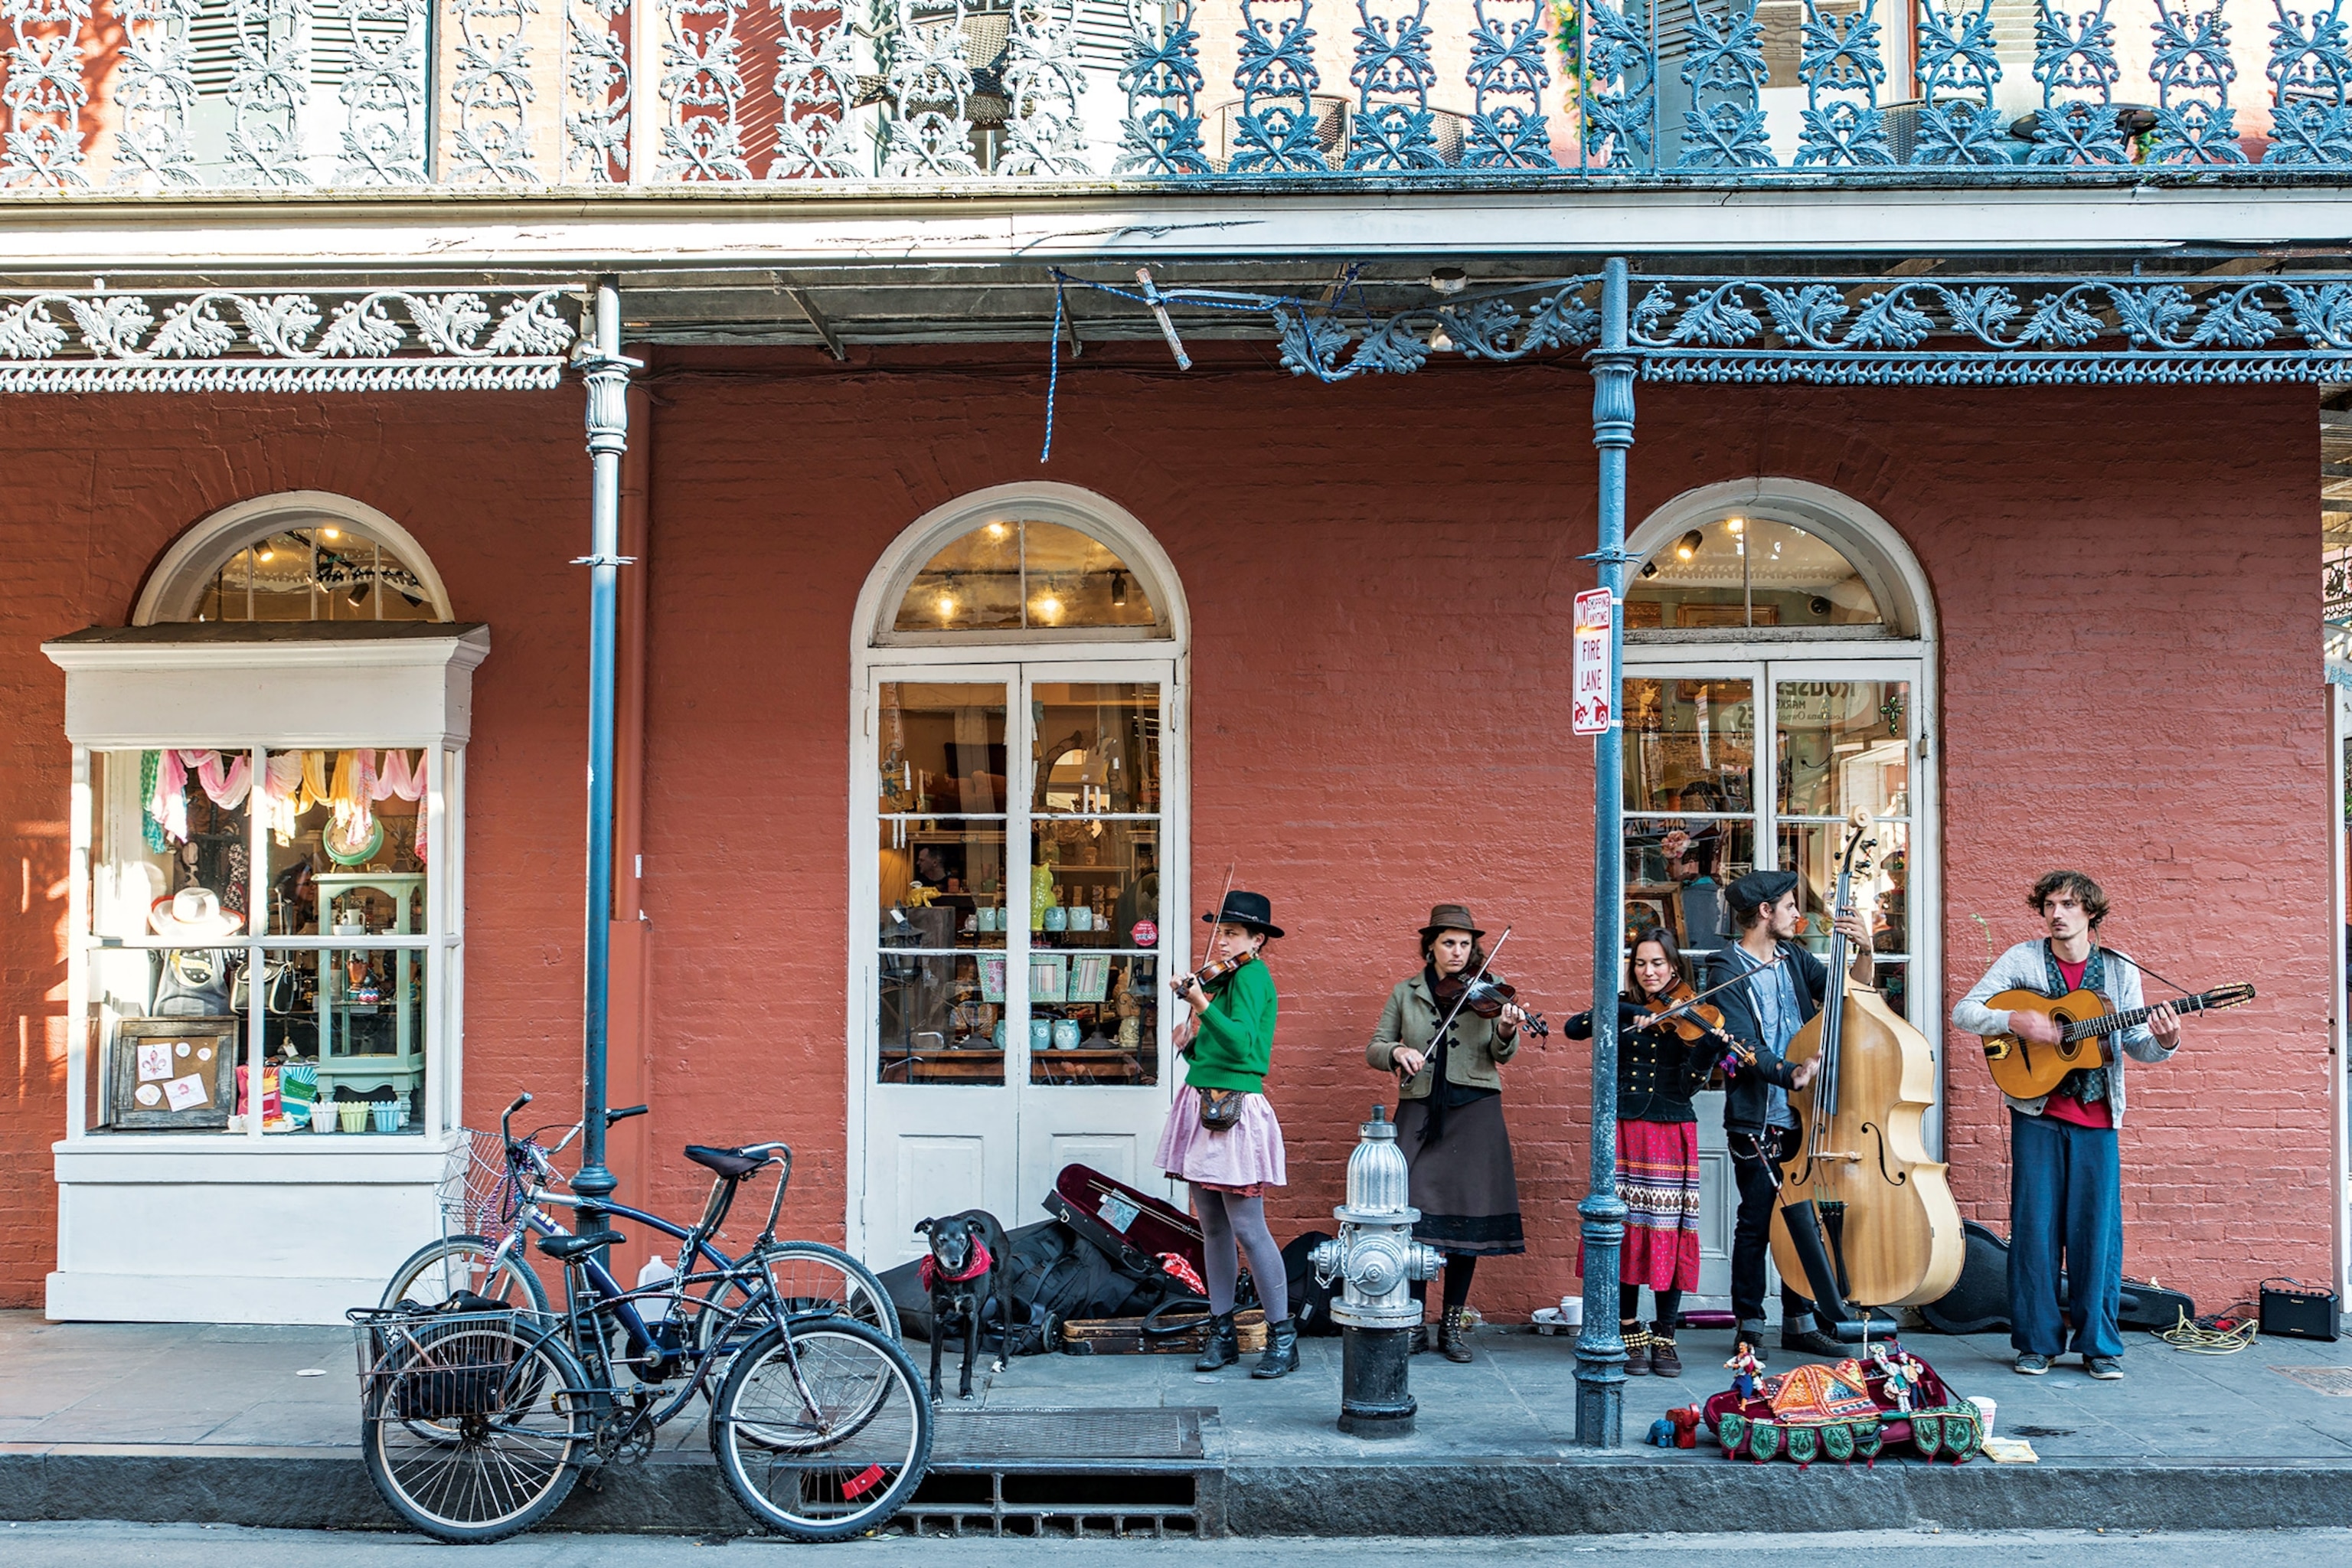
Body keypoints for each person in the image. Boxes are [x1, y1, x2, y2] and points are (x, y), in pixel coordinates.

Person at [1953, 871, 2182, 1381]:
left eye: (2069, 905)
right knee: (2034, 1231)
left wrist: (2166, 1041)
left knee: (2097, 1235)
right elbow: (1964, 1012)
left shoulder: (2119, 969)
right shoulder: (2022, 960)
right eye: (2050, 905)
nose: (2057, 914)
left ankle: (2099, 1345)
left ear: (2091, 913)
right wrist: (2015, 1021)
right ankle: (2036, 1343)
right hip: (2038, 1114)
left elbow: (2137, 1044)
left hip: (2098, 1121)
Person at [1708, 868, 1873, 1363]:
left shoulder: (1795, 958)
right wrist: (1790, 1073)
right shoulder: (1725, 969)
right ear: (1765, 912)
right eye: (1789, 906)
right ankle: (1749, 1325)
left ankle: (1802, 1323)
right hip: (1758, 1119)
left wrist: (1865, 951)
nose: (1798, 914)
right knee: (1757, 1223)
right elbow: (1744, 1044)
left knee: (1804, 1221)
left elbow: (1849, 998)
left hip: (1806, 1115)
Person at [1366, 904, 1529, 1362]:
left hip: (1475, 1110)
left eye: (1465, 944)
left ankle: (1452, 1326)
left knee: (1468, 1213)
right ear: (1431, 946)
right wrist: (1397, 1052)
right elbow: (1375, 1046)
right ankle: (1415, 1320)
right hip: (1420, 1109)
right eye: (1449, 943)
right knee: (1413, 1213)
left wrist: (1506, 1028)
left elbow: (1502, 1054)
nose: (1458, 952)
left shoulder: (1490, 989)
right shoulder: (1406, 992)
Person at [1154, 890, 1297, 1380]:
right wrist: (1191, 1043)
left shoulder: (1253, 976)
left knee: (1249, 1229)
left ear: (1257, 940)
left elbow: (1244, 1048)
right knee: (1212, 1226)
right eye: (1221, 932)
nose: (1222, 941)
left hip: (1235, 1110)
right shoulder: (1228, 978)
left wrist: (1200, 1004)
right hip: (1203, 1101)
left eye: (1233, 933)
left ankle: (1282, 1337)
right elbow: (1216, 1052)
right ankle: (1222, 1332)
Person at [1563, 925, 1717, 1377]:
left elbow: (1688, 1086)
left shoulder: (1689, 1013)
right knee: (1626, 1230)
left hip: (1672, 1130)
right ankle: (1628, 1328)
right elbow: (1574, 1028)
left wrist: (1707, 1051)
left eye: (1658, 963)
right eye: (1641, 963)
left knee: (1670, 1229)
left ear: (1674, 966)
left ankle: (1665, 1333)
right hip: (1626, 1129)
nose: (1649, 972)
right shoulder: (1619, 1006)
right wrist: (1632, 1010)